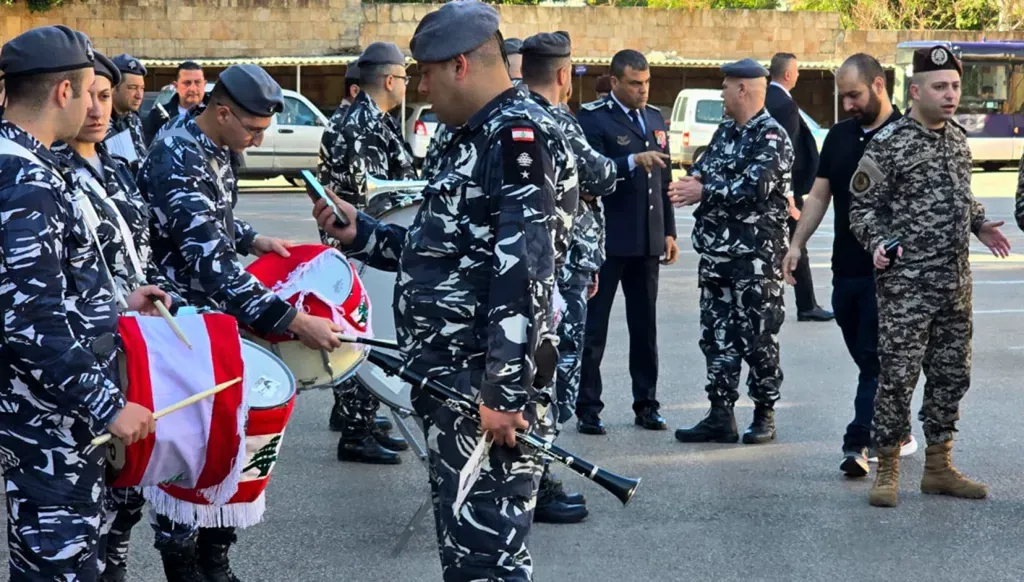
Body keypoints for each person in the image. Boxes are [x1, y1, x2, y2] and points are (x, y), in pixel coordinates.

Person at [315, 2, 577, 577]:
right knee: (465, 558)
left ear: (460, 65)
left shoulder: (519, 140)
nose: (419, 87)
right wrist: (362, 233)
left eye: (425, 73)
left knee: (488, 561)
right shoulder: (465, 138)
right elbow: (442, 252)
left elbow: (525, 275)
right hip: (449, 384)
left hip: (484, 390)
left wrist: (506, 394)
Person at [137, 63, 343, 580]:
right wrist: (294, 320)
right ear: (222, 111)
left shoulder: (216, 145)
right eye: (253, 129)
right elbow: (211, 265)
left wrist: (252, 237)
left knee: (232, 439)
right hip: (179, 322)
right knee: (192, 446)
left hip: (212, 320)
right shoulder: (175, 154)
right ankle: (182, 564)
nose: (259, 137)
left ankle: (215, 555)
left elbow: (213, 218)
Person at [0, 25, 161, 581]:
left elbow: (47, 290)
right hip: (49, 420)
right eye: (89, 90)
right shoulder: (22, 175)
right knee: (58, 568)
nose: (97, 105)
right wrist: (107, 405)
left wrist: (114, 305)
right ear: (63, 93)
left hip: (54, 411)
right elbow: (28, 322)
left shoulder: (29, 163)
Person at [848, 45, 1010, 508]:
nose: (951, 94)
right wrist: (877, 243)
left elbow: (962, 196)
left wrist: (978, 222)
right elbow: (862, 208)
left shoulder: (959, 139)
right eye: (940, 86)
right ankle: (889, 468)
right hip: (907, 287)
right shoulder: (889, 142)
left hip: (955, 285)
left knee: (951, 376)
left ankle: (938, 467)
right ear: (915, 91)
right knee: (897, 378)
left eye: (955, 86)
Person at [50, 47, 180, 582]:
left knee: (128, 488)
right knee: (88, 495)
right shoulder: (52, 175)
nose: (98, 109)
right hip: (87, 353)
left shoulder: (121, 170)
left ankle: (117, 566)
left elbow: (147, 249)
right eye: (89, 97)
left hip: (136, 342)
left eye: (106, 97)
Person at [782, 53, 917, 478]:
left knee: (874, 359)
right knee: (866, 360)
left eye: (854, 95)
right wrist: (797, 245)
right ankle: (897, 427)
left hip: (891, 272)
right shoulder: (839, 136)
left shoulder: (907, 136)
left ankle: (858, 442)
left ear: (879, 85)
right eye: (843, 97)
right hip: (846, 271)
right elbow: (820, 195)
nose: (847, 105)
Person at [671, 58, 794, 445]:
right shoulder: (726, 132)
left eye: (726, 86)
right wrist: (695, 182)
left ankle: (764, 413)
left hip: (755, 261)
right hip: (717, 258)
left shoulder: (772, 137)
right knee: (717, 337)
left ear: (744, 89)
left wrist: (704, 190)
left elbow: (754, 188)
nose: (722, 92)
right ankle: (720, 415)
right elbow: (706, 168)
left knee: (757, 337)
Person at [521, 30, 617, 524]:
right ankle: (538, 475)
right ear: (563, 75)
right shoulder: (555, 120)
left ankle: (530, 472)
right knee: (554, 373)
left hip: (548, 265)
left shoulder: (508, 114)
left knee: (534, 369)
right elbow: (602, 176)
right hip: (558, 270)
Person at [317, 41, 417, 464]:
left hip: (359, 243)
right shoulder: (366, 124)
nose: (408, 84)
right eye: (405, 77)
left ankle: (358, 417)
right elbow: (372, 197)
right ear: (390, 79)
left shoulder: (365, 118)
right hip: (362, 245)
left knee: (356, 331)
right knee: (363, 334)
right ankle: (357, 430)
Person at [575, 49, 677, 435]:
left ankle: (646, 403)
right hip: (608, 240)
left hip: (647, 239)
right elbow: (590, 174)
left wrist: (668, 231)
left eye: (646, 82)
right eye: (635, 83)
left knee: (644, 328)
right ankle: (588, 406)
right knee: (594, 328)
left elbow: (664, 181)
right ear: (615, 82)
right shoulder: (594, 119)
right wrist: (632, 159)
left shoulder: (653, 118)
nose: (643, 90)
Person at [765, 52, 833, 323]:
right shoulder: (785, 104)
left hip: (769, 187)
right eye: (798, 72)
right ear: (789, 75)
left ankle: (800, 302)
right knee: (798, 242)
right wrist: (791, 196)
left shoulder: (765, 99)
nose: (799, 76)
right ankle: (807, 304)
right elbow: (787, 152)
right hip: (786, 191)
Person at [144, 60, 204, 144]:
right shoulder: (157, 117)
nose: (193, 89)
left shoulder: (216, 115)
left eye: (197, 82)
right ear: (176, 86)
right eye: (187, 83)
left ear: (204, 84)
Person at [105, 53, 148, 170]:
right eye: (132, 88)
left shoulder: (134, 119)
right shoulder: (99, 122)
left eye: (142, 88)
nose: (139, 95)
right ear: (113, 88)